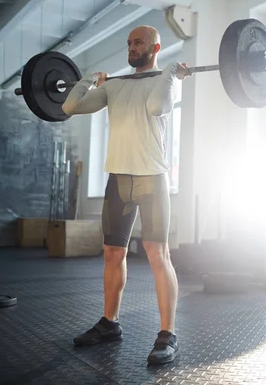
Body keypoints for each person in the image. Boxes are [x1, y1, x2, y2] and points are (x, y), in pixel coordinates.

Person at [61, 25, 190, 365]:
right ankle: (109, 323)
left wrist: (171, 73)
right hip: (118, 177)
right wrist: (89, 78)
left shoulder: (165, 82)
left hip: (151, 178)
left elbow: (157, 107)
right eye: (130, 43)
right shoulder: (114, 86)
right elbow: (70, 106)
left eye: (139, 42)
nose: (132, 47)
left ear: (155, 47)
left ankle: (167, 335)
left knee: (156, 253)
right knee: (111, 253)